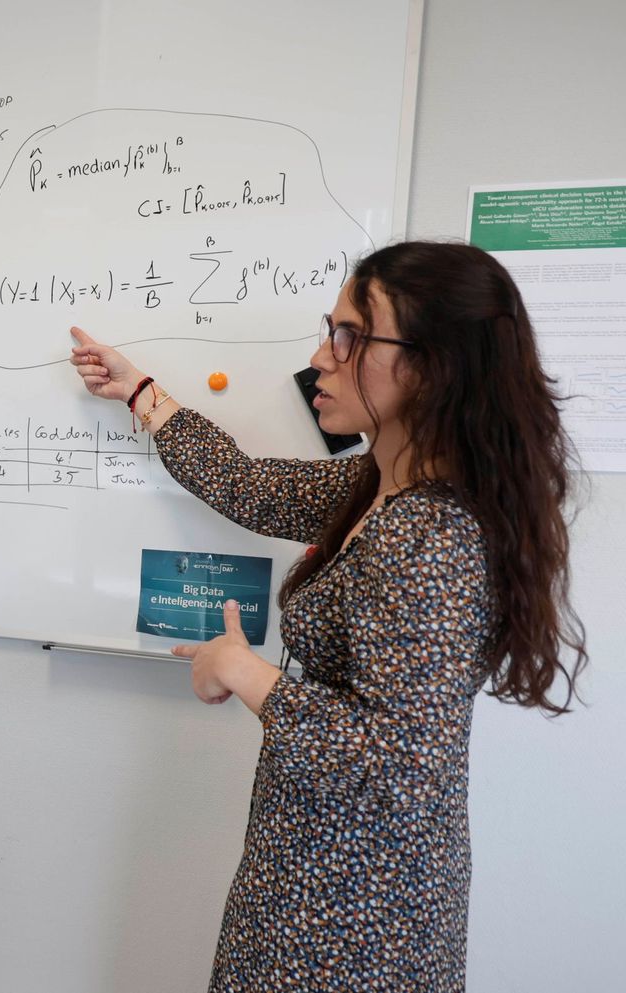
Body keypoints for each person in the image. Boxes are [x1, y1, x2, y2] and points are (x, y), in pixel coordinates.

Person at [69, 241, 587, 993]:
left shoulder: (429, 537)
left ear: (429, 364)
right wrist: (140, 389)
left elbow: (401, 768)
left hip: (353, 915)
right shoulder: (383, 479)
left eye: (349, 337)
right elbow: (250, 486)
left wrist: (247, 673)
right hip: (314, 871)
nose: (321, 356)